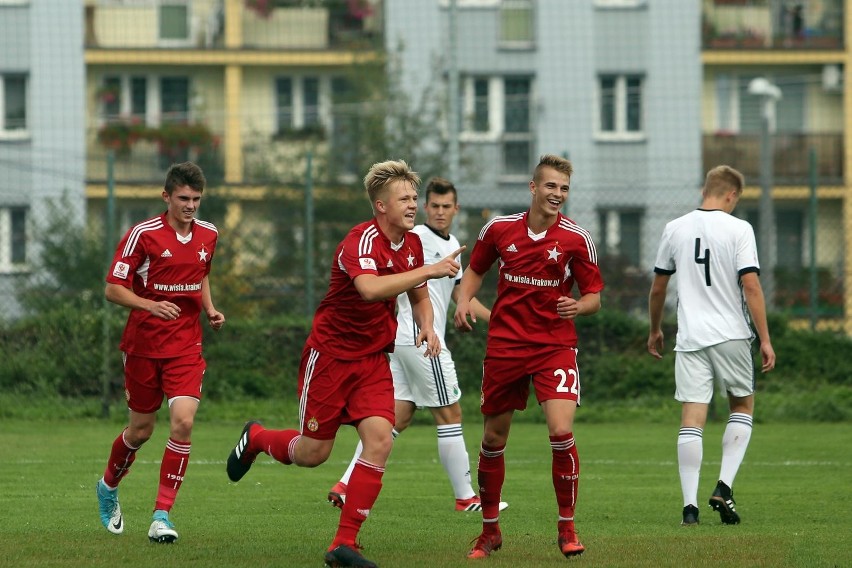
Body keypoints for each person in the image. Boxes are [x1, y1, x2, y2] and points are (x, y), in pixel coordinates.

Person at [226, 160, 465, 568]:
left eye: (413, 198)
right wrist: (428, 269)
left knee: (381, 440)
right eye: (404, 199)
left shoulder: (410, 245)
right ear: (380, 206)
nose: (412, 206)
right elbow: (370, 290)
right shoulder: (361, 241)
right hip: (331, 359)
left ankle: (344, 545)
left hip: (373, 360)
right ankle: (259, 437)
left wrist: (428, 326)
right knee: (313, 453)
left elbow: (419, 294)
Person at [327, 177, 507, 514]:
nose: (439, 212)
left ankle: (346, 484)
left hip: (404, 339)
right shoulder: (415, 238)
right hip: (419, 338)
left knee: (398, 416)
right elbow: (397, 280)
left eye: (446, 206)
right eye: (433, 206)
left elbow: (458, 294)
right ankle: (466, 496)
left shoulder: (449, 241)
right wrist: (428, 323)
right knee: (450, 412)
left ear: (456, 209)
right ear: (425, 208)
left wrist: (498, 318)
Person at [454, 154, 604, 560]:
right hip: (505, 347)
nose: (558, 194)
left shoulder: (577, 238)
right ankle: (489, 532)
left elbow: (593, 296)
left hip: (554, 346)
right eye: (551, 186)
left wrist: (579, 307)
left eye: (565, 189)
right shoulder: (499, 229)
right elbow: (475, 270)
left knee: (560, 432)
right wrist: (463, 300)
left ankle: (567, 528)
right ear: (533, 187)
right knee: (492, 439)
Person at [96, 161, 225, 543]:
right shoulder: (143, 234)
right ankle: (107, 487)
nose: (190, 206)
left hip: (186, 346)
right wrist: (149, 305)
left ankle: (161, 516)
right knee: (141, 430)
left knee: (183, 421)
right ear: (166, 196)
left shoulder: (209, 234)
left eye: (196, 199)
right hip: (143, 346)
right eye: (183, 198)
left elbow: (201, 274)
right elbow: (112, 289)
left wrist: (210, 309)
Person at [647, 165, 776, 527]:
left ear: (706, 189)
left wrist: (655, 329)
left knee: (692, 417)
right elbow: (750, 286)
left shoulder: (675, 228)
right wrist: (765, 339)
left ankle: (690, 508)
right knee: (742, 405)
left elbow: (658, 288)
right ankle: (724, 486)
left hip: (690, 337)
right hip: (732, 334)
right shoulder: (739, 229)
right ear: (732, 195)